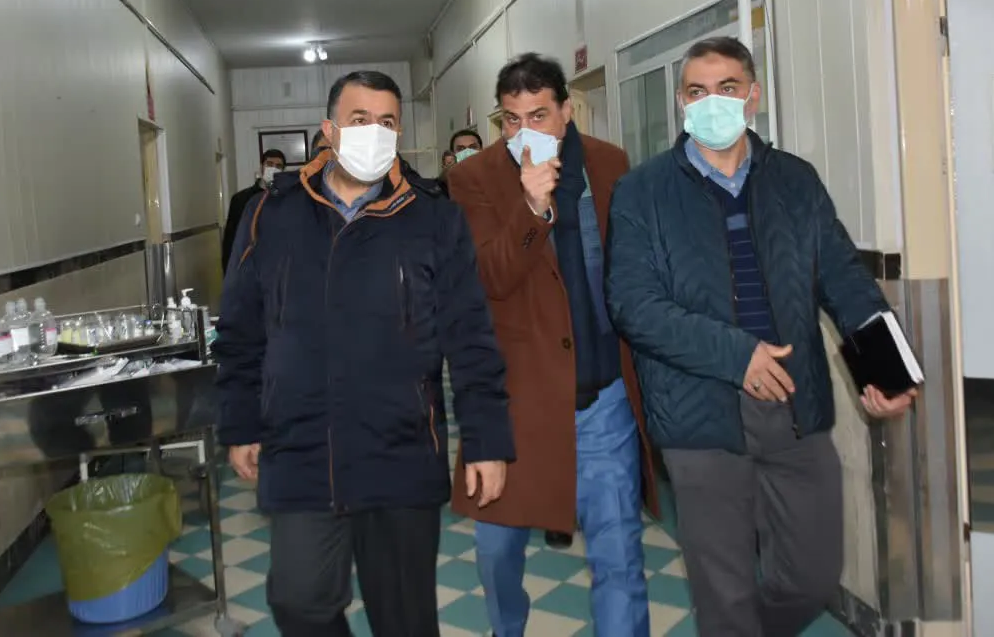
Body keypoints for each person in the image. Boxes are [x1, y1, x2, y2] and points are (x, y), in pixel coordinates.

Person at [605, 36, 918, 637]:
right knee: (724, 592)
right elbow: (634, 306)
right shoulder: (643, 192)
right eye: (697, 91)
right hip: (698, 411)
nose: (711, 102)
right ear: (681, 102)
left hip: (795, 404)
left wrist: (888, 371)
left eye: (726, 88)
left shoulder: (794, 180)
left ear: (752, 96)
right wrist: (737, 355)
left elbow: (845, 281)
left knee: (812, 577)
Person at [214, 69, 516, 637]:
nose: (374, 132)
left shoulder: (433, 217)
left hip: (400, 451)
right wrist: (240, 422)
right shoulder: (270, 215)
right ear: (329, 130)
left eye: (387, 122)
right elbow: (240, 331)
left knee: (404, 621)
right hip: (302, 448)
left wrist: (487, 439)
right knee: (298, 602)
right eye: (359, 119)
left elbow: (470, 335)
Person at [446, 53, 658, 637]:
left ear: (567, 111)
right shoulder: (475, 179)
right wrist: (531, 207)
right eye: (512, 120)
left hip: (602, 399)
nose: (525, 131)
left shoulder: (609, 164)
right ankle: (507, 629)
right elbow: (488, 277)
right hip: (518, 403)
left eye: (538, 116)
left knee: (619, 557)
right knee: (496, 553)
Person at [221, 148, 287, 272]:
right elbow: (230, 239)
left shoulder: (287, 199)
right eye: (269, 164)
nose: (273, 169)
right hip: (248, 265)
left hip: (277, 266)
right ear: (261, 167)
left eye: (278, 166)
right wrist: (228, 271)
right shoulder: (241, 199)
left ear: (283, 171)